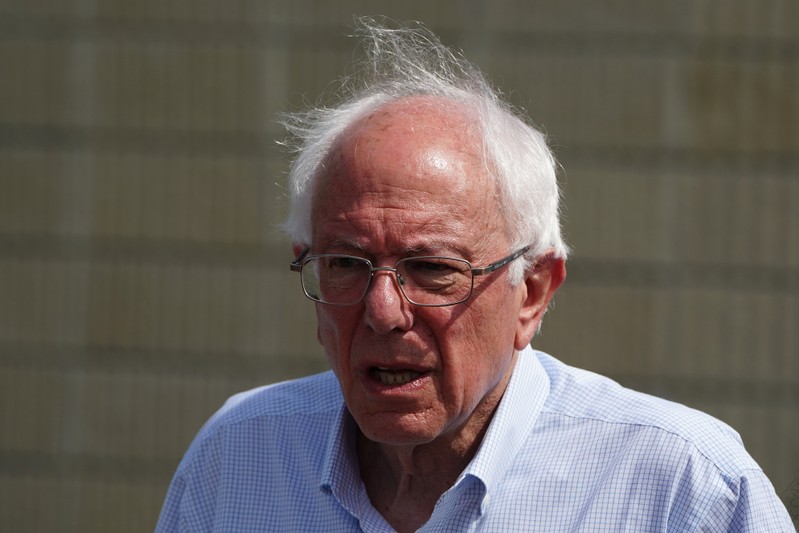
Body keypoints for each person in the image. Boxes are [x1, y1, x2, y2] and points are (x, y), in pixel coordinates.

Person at [155, 18, 794, 532]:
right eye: (346, 264)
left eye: (433, 270)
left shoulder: (680, 489)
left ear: (534, 292)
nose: (382, 309)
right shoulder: (239, 457)